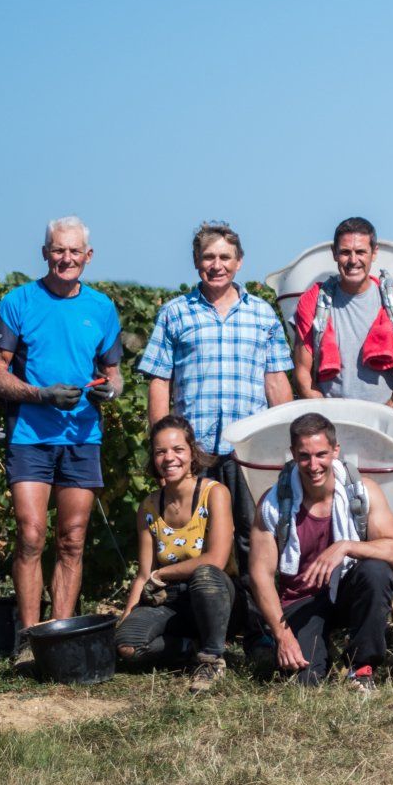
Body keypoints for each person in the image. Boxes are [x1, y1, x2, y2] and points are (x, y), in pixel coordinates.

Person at [0, 216, 124, 659]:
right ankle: (28, 638)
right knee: (29, 536)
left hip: (82, 437)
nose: (66, 258)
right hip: (30, 435)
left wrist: (110, 390)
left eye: (74, 251)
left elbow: (114, 374)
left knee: (73, 537)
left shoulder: (101, 307)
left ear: (88, 256)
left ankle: (60, 636)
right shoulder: (19, 302)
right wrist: (41, 395)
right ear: (45, 253)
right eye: (57, 250)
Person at [139, 221, 294, 558]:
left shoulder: (262, 314)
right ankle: (200, 608)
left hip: (249, 449)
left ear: (239, 262)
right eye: (209, 257)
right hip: (195, 449)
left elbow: (276, 380)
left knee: (254, 535)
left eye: (225, 257)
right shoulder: (175, 313)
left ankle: (252, 610)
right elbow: (159, 381)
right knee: (195, 537)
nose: (217, 265)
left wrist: (286, 443)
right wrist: (161, 446)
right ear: (197, 261)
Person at [245, 412, 393, 688]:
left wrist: (345, 546)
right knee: (303, 682)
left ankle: (362, 666)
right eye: (304, 456)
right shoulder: (273, 503)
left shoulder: (361, 491)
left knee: (376, 570)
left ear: (336, 451)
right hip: (300, 600)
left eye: (321, 454)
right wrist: (284, 638)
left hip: (346, 590)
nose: (313, 465)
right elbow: (260, 575)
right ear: (293, 455)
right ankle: (321, 651)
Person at [115, 416, 236, 691]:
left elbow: (216, 559)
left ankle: (212, 659)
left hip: (216, 596)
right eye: (161, 452)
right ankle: (188, 648)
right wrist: (126, 618)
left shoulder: (214, 493)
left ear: (192, 453)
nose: (170, 458)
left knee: (205, 575)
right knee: (126, 646)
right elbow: (144, 574)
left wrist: (163, 573)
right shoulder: (149, 507)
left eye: (177, 449)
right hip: (170, 600)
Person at [291, 216, 393, 405]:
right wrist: (326, 414)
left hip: (388, 422)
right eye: (345, 252)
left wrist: (391, 409)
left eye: (360, 252)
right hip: (333, 423)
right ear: (334, 253)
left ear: (374, 253)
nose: (353, 260)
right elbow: (302, 371)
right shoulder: (313, 303)